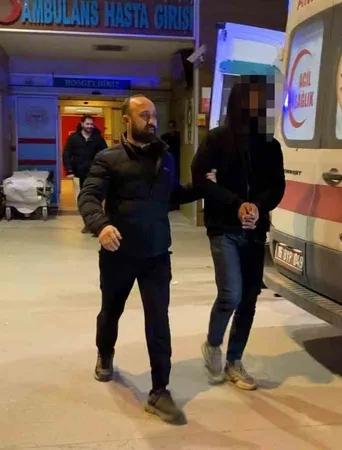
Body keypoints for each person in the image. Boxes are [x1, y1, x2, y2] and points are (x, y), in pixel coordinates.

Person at [78, 94, 208, 425]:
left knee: (158, 320)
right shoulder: (108, 159)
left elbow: (172, 196)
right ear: (127, 121)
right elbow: (88, 196)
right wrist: (101, 225)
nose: (152, 121)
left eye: (153, 115)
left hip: (156, 255)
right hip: (118, 254)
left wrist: (202, 187)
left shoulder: (165, 157)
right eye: (144, 116)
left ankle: (160, 391)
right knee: (111, 311)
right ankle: (105, 353)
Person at [191, 76, 286, 391]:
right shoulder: (217, 139)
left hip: (255, 231)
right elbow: (200, 178)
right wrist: (236, 204)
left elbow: (277, 186)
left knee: (249, 298)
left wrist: (257, 207)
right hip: (224, 228)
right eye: (252, 99)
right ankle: (213, 344)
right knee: (231, 293)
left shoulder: (270, 145)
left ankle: (235, 361)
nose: (257, 106)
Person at [63, 114, 108, 234]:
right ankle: (87, 223)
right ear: (82, 124)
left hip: (95, 173)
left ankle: (96, 223)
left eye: (92, 124)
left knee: (95, 199)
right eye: (87, 124)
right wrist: (69, 170)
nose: (90, 126)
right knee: (82, 199)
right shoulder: (73, 138)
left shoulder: (98, 138)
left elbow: (105, 154)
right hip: (79, 174)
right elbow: (66, 154)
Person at [160, 120, 182, 211]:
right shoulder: (164, 137)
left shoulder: (178, 137)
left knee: (176, 182)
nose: (171, 128)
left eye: (173, 126)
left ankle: (175, 203)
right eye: (170, 126)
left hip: (177, 160)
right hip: (167, 161)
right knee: (168, 181)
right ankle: (169, 203)